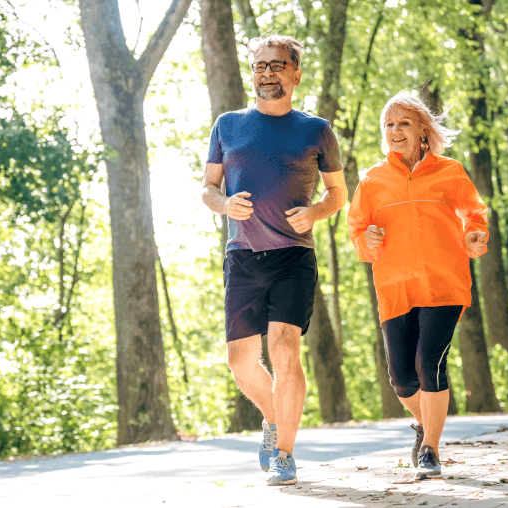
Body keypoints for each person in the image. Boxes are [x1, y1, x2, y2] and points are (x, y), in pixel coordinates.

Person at [200, 35, 347, 486]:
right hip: (243, 254)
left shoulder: (316, 129)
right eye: (260, 65)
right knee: (240, 362)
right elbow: (207, 189)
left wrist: (315, 212)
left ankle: (284, 454)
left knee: (284, 348)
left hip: (292, 256)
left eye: (277, 65)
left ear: (295, 74)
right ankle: (273, 419)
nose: (267, 72)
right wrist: (224, 206)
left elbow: (339, 193)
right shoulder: (228, 125)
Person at [347, 91, 488, 480]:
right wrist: (367, 241)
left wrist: (476, 235)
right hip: (396, 288)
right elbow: (357, 231)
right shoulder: (373, 180)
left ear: (423, 131)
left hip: (444, 284)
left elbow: (474, 215)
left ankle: (431, 450)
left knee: (430, 364)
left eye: (404, 123)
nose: (395, 131)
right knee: (402, 379)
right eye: (389, 125)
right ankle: (427, 424)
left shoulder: (450, 172)